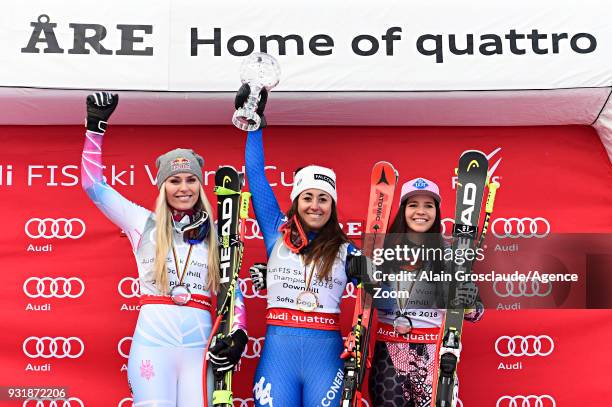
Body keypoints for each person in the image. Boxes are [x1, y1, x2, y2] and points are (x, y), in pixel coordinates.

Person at [81, 92, 248, 406]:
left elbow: (233, 290)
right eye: (174, 180)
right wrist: (95, 128)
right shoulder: (142, 222)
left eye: (190, 180)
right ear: (162, 186)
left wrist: (239, 334)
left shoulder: (218, 233)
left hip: (199, 347)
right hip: (153, 345)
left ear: (200, 185)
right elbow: (93, 185)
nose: (183, 188)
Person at [237, 84, 362, 407]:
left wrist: (371, 275)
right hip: (280, 357)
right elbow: (256, 176)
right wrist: (255, 127)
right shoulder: (275, 230)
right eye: (308, 198)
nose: (315, 206)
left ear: (332, 206)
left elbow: (386, 292)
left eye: (323, 199)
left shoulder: (347, 250)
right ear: (296, 201)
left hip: (326, 358)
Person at [369, 177, 484, 407]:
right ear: (403, 210)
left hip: (434, 355)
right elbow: (366, 297)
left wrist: (468, 304)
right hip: (388, 356)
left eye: (428, 205)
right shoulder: (381, 252)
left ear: (436, 211)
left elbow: (476, 312)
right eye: (413, 205)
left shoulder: (450, 252)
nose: (420, 212)